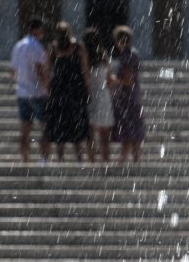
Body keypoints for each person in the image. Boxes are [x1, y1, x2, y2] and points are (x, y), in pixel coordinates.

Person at [43, 21, 91, 161]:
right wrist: (88, 88)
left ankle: (60, 157)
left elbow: (47, 70)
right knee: (75, 122)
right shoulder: (78, 47)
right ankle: (79, 157)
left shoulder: (53, 48)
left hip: (59, 89)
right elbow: (85, 69)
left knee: (59, 123)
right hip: (75, 88)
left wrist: (47, 88)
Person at [10, 18, 51, 162]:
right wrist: (47, 86)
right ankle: (44, 159)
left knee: (25, 129)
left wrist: (21, 81)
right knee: (45, 127)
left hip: (22, 92)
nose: (43, 33)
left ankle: (25, 158)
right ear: (35, 30)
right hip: (37, 92)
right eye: (42, 30)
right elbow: (40, 70)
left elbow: (12, 71)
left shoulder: (17, 46)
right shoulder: (37, 47)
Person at [110, 25, 145, 163]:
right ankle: (136, 160)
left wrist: (114, 80)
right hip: (134, 97)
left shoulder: (126, 56)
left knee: (127, 131)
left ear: (119, 41)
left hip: (127, 98)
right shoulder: (133, 53)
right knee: (134, 131)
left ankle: (123, 160)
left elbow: (127, 80)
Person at [82, 28, 116, 162]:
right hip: (104, 95)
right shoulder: (104, 56)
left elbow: (85, 78)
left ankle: (92, 161)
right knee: (104, 133)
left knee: (90, 133)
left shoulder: (84, 57)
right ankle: (106, 160)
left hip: (90, 94)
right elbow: (109, 79)